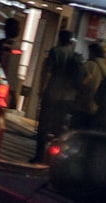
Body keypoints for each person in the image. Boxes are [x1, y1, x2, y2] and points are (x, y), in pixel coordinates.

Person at [32, 29, 84, 162]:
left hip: (52, 93)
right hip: (67, 97)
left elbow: (48, 72)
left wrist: (41, 88)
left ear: (60, 38)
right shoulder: (75, 55)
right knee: (59, 127)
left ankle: (39, 156)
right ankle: (55, 158)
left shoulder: (55, 51)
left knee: (43, 126)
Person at [73, 41, 106, 130]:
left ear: (92, 52)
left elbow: (78, 83)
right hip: (97, 109)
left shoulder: (89, 65)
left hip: (82, 106)